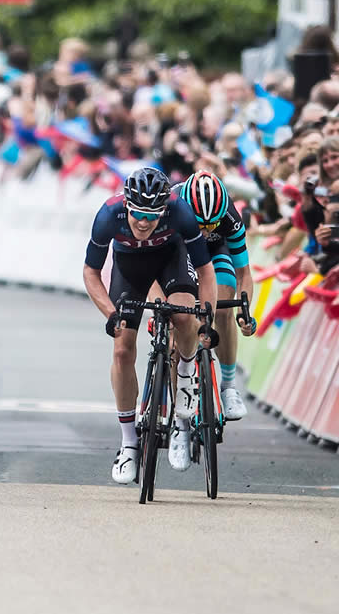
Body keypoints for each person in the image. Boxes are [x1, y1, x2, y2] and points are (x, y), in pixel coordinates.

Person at [83, 166, 217, 484]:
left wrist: (206, 316)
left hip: (171, 258)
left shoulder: (180, 212)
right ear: (128, 206)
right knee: (121, 349)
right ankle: (129, 443)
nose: (144, 222)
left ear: (164, 210)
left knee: (184, 316)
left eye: (152, 216)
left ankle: (185, 376)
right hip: (129, 268)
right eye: (138, 214)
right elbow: (91, 273)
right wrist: (111, 314)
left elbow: (206, 270)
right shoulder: (108, 215)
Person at [181, 170, 253, 426]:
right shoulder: (173, 207)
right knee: (179, 315)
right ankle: (176, 394)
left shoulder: (231, 218)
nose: (204, 230)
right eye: (199, 224)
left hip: (215, 252)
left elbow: (244, 273)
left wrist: (244, 312)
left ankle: (229, 387)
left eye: (210, 225)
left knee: (223, 309)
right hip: (181, 252)